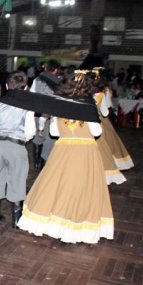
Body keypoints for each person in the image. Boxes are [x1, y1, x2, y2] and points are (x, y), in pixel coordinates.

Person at [17, 73, 114, 244]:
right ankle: (76, 224)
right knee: (83, 186)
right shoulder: (88, 107)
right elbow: (97, 132)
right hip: (85, 152)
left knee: (56, 183)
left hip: (64, 150)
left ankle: (51, 219)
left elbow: (54, 132)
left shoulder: (60, 107)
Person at [0, 71, 36, 228]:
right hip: (16, 146)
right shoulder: (27, 107)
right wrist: (23, 139)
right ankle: (17, 219)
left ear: (6, 86)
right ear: (25, 87)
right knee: (17, 179)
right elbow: (30, 131)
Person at [30, 60, 61, 170]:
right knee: (49, 140)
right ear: (56, 70)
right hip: (52, 115)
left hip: (38, 113)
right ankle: (43, 165)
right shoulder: (59, 82)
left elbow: (32, 95)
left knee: (37, 138)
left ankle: (37, 163)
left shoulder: (37, 80)